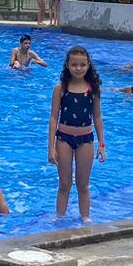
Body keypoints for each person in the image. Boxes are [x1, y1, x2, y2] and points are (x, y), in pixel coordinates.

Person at [48, 46, 107, 221]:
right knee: (64, 184)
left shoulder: (93, 89)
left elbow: (97, 117)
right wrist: (51, 147)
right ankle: (59, 216)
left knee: (83, 184)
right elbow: (53, 117)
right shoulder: (61, 88)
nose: (78, 68)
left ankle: (85, 217)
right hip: (63, 138)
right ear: (67, 65)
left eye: (82, 65)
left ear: (88, 65)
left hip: (86, 139)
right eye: (74, 64)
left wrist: (102, 145)